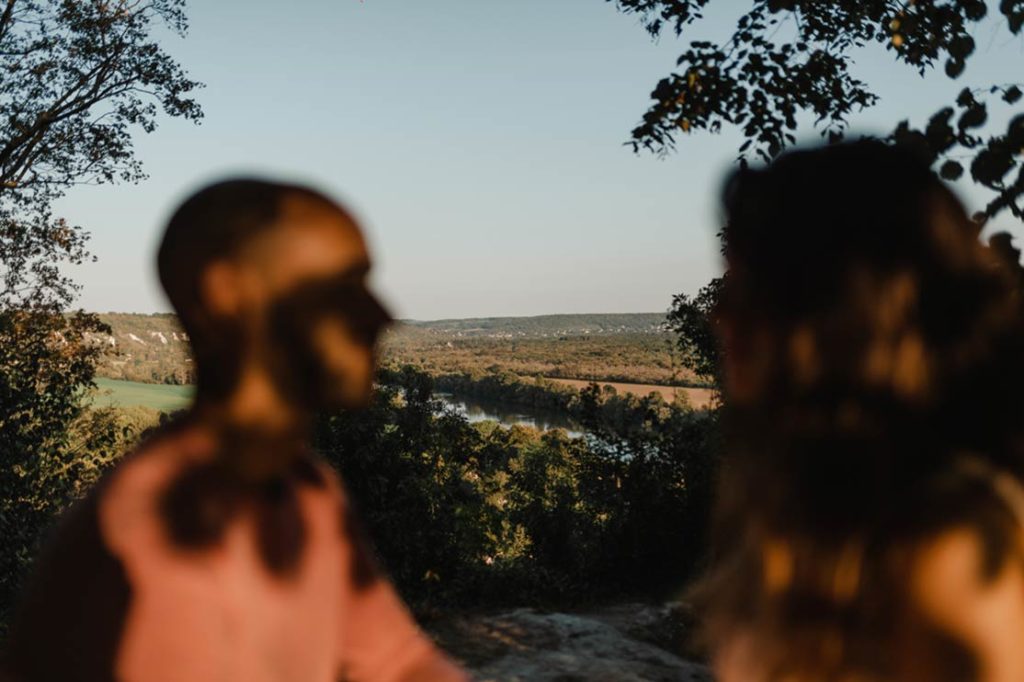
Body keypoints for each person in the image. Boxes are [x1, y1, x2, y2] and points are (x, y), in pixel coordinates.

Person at [3, 179, 468, 682]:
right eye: (342, 288)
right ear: (227, 294)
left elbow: (395, 662)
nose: (381, 315)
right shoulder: (162, 538)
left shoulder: (304, 491)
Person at [697, 141, 1024, 682]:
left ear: (841, 308)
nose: (719, 312)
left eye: (748, 287)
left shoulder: (951, 549)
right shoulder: (817, 499)